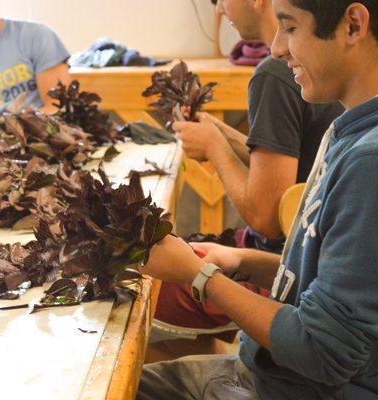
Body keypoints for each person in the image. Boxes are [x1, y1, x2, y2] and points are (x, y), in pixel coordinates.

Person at [138, 0, 378, 398]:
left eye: (291, 27)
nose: (278, 47)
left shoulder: (369, 161)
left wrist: (201, 277)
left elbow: (324, 350)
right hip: (268, 373)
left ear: (353, 25)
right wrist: (242, 261)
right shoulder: (349, 130)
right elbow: (324, 285)